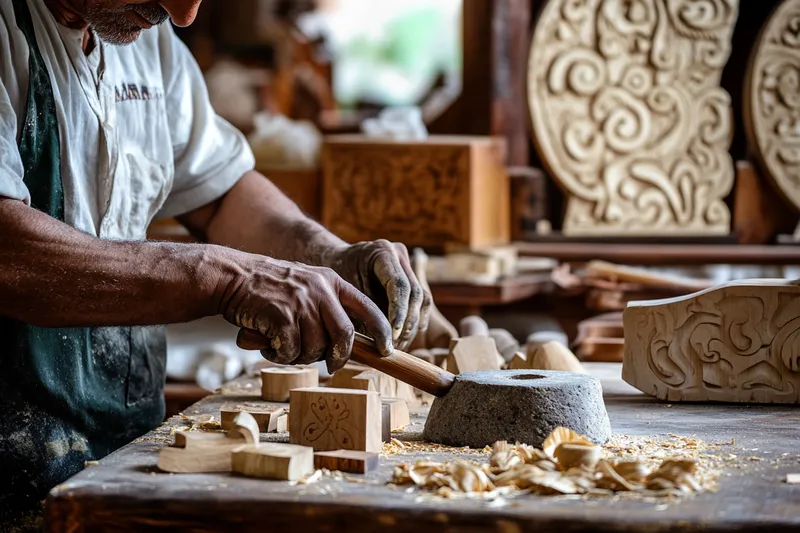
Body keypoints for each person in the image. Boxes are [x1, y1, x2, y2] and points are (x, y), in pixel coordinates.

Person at [0, 0, 431, 522]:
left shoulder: (146, 44)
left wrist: (333, 256)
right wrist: (225, 277)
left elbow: (222, 193)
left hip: (121, 447)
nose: (183, 15)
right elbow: (10, 253)